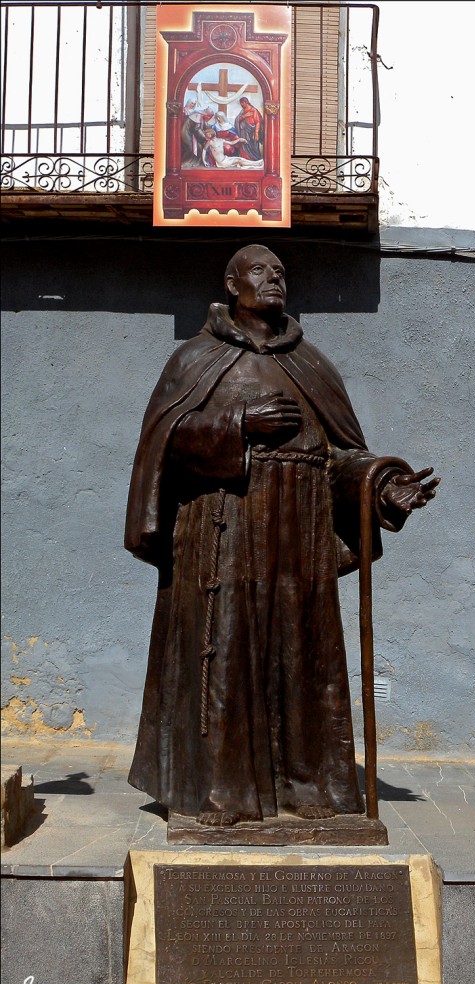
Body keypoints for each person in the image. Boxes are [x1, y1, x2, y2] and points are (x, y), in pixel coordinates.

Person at [125, 245, 439, 826]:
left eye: (281, 272)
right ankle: (219, 795)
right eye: (261, 271)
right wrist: (240, 425)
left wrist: (382, 485)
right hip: (222, 525)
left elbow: (341, 454)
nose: (275, 279)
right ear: (231, 282)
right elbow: (164, 444)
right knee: (222, 652)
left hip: (300, 529)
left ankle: (311, 789)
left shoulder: (311, 363)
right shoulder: (195, 358)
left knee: (306, 656)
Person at [234, 97, 263, 161]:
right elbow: (237, 120)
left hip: (252, 132)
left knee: (254, 147)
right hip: (244, 132)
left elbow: (258, 122)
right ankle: (245, 159)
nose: (241, 105)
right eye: (240, 103)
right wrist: (245, 116)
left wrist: (256, 133)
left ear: (245, 102)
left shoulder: (253, 110)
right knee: (244, 146)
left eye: (242, 103)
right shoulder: (243, 111)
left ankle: (254, 159)